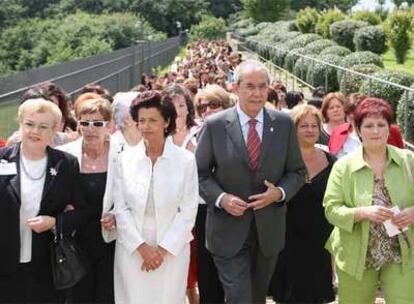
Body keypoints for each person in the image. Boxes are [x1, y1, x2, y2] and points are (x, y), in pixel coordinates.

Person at [196, 59, 306, 303]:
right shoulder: (215, 125)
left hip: (268, 232)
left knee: (256, 298)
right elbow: (199, 172)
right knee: (239, 297)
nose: (257, 93)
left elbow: (297, 172)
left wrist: (279, 193)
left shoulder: (284, 123)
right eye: (250, 86)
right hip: (227, 231)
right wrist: (221, 199)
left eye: (262, 86)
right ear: (235, 88)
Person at [323, 97, 414, 304]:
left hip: (403, 253)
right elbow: (331, 209)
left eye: (381, 125)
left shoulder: (408, 160)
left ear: (389, 129)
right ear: (358, 129)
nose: (375, 131)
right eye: (369, 125)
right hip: (357, 255)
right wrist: (363, 213)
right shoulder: (343, 167)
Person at [113, 91, 199, 304]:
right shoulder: (124, 159)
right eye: (141, 121)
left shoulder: (185, 160)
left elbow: (188, 211)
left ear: (167, 121)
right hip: (132, 249)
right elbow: (121, 209)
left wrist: (161, 250)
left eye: (153, 120)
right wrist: (142, 248)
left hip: (172, 251)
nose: (146, 126)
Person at [0, 98, 80, 303]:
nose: (35, 131)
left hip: (48, 263)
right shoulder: (2, 160)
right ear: (20, 125)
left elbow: (79, 212)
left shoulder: (66, 164)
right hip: (5, 262)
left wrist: (55, 222)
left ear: (54, 130)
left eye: (43, 126)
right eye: (29, 124)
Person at [270, 104, 335, 304]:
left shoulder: (332, 162)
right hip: (287, 241)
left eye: (314, 126)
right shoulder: (280, 161)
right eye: (303, 126)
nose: (310, 130)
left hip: (320, 242)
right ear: (293, 129)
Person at [57, 98, 116, 303]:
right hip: (77, 242)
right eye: (84, 123)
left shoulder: (123, 154)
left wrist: (117, 214)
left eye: (98, 123)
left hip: (114, 239)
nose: (90, 129)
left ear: (109, 126)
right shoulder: (66, 155)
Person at [192, 84, 236, 304]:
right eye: (201, 107)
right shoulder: (193, 135)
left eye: (213, 104)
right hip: (202, 211)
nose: (207, 110)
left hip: (234, 209)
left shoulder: (238, 133)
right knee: (207, 274)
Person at [163, 84, 199, 304]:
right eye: (172, 105)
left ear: (188, 107)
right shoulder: (158, 135)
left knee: (193, 264)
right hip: (166, 209)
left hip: (194, 207)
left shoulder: (199, 132)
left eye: (181, 104)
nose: (177, 109)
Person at [329, 94, 404, 158]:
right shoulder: (338, 132)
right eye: (351, 118)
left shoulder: (392, 131)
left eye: (360, 118)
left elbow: (401, 159)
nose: (355, 122)